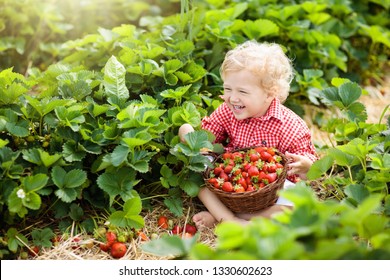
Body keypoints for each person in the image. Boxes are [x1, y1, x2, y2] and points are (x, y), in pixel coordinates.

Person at [178, 40, 318, 228]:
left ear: (269, 94)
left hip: (268, 195)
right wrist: (191, 140)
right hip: (228, 181)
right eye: (228, 89)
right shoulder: (227, 111)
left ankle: (224, 216)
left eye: (242, 91)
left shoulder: (290, 126)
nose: (233, 98)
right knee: (194, 164)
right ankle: (232, 219)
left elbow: (311, 172)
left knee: (297, 207)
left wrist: (306, 166)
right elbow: (206, 140)